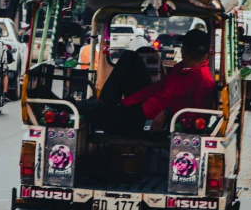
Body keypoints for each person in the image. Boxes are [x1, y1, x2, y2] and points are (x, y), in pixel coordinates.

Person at [79, 28, 214, 135]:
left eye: (183, 46)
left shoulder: (203, 80)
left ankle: (92, 105)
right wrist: (125, 103)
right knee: (129, 57)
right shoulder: (180, 68)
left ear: (187, 51)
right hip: (143, 106)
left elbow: (200, 116)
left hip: (151, 121)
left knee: (98, 110)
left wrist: (168, 113)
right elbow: (156, 87)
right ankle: (103, 103)